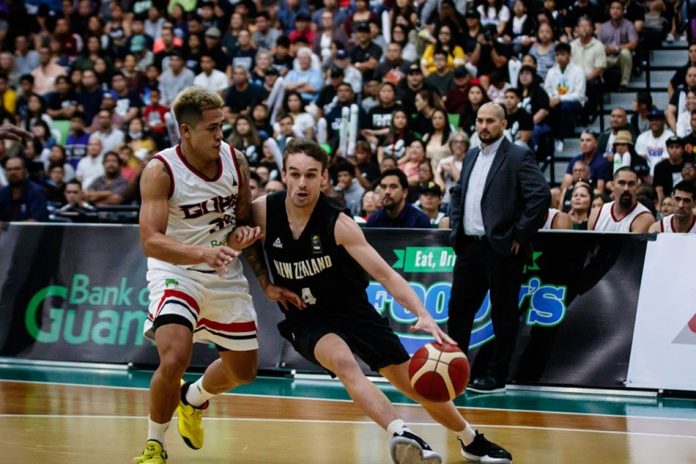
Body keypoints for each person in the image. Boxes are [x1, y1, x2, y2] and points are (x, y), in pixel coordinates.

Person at [248, 138, 513, 464]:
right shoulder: (262, 210)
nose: (302, 183)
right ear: (285, 174)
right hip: (306, 317)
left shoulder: (338, 223)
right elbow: (241, 239)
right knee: (344, 363)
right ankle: (402, 433)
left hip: (351, 309)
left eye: (311, 175)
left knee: (415, 383)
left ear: (324, 177)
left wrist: (422, 313)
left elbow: (386, 275)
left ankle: (470, 439)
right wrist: (265, 283)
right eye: (295, 174)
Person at [134, 87, 300, 464]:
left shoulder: (235, 160)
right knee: (174, 357)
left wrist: (262, 278)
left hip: (223, 270)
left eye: (222, 125)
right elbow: (150, 241)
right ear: (186, 131)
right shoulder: (160, 171)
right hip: (176, 271)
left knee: (243, 371)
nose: (220, 134)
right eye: (211, 128)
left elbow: (243, 223)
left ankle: (192, 399)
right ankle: (154, 445)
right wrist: (202, 253)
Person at [447, 102, 550, 393]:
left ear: (503, 124)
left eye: (490, 121)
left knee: (503, 314)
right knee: (458, 312)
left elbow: (540, 196)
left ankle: (497, 376)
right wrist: (456, 228)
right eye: (479, 120)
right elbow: (459, 194)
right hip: (469, 246)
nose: (483, 126)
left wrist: (519, 233)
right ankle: (456, 374)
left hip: (501, 248)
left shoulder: (518, 155)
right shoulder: (469, 155)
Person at [588, 167, 655, 232]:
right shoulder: (596, 214)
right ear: (612, 185)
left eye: (631, 184)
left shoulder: (645, 218)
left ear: (637, 186)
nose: (626, 188)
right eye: (621, 183)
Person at [366, 168, 431, 228]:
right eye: (383, 187)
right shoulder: (373, 220)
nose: (387, 192)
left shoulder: (419, 221)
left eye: (393, 187)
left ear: (404, 192)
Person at [0, 156, 49, 222]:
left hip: (30, 232)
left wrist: (9, 227)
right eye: (9, 169)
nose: (12, 172)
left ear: (25, 170)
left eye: (17, 169)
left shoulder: (36, 192)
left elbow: (36, 221)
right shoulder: (2, 193)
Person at [654, 136, 694, 205]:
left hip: (687, 198)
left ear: (683, 149)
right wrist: (660, 205)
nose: (674, 150)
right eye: (671, 147)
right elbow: (659, 191)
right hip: (668, 201)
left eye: (677, 147)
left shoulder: (690, 165)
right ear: (667, 149)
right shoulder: (660, 167)